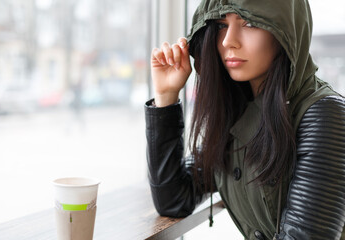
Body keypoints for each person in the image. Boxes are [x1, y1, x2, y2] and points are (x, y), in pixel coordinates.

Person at [145, 0, 345, 239]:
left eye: (249, 23)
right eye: (221, 25)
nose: (229, 40)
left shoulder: (324, 115)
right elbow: (175, 199)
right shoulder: (238, 111)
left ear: (286, 33)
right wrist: (166, 96)